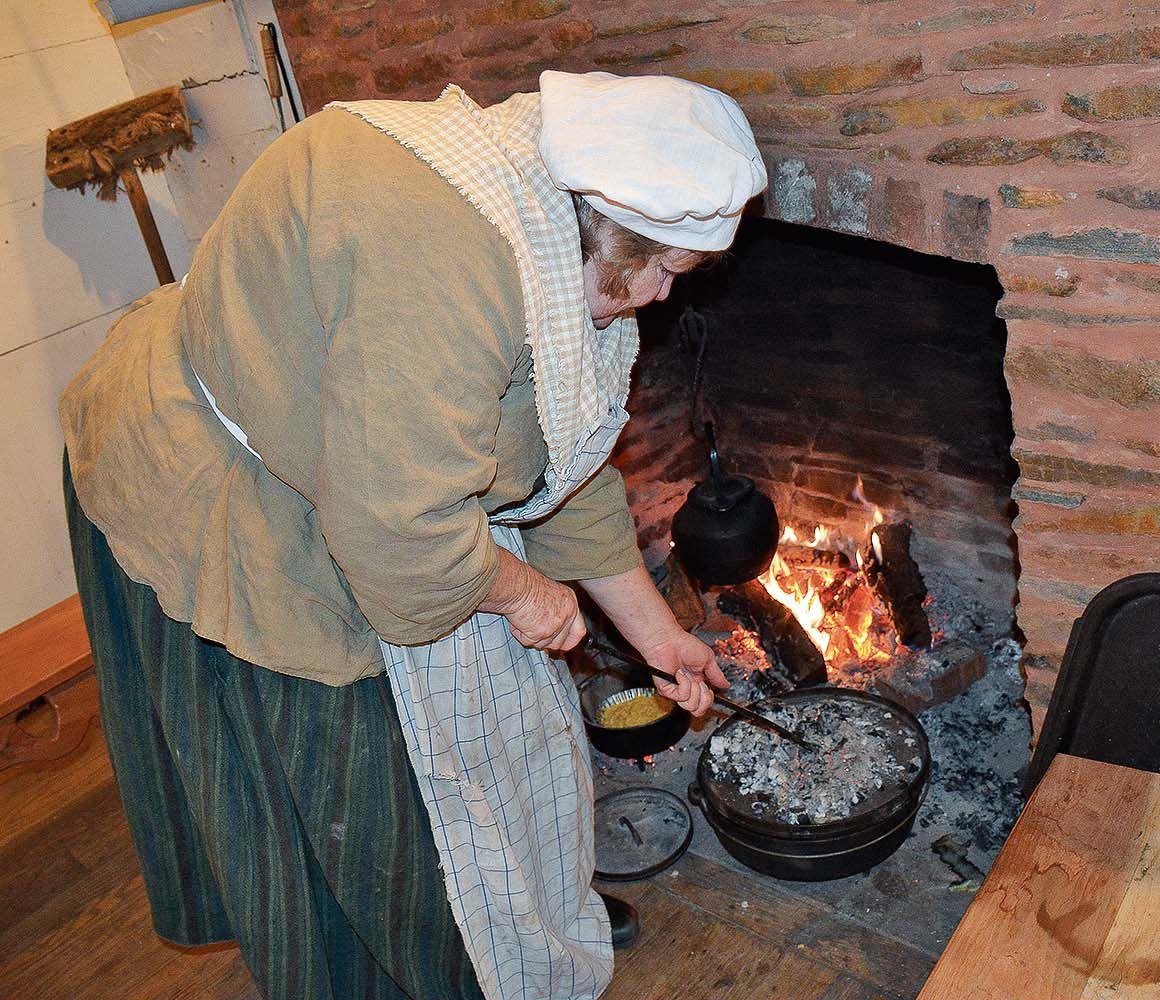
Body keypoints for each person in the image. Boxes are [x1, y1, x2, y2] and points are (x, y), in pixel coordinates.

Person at [59, 70, 766, 1000]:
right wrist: (525, 592)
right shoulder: (449, 267)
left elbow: (564, 450)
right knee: (369, 812)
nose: (663, 298)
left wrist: (654, 633)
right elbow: (401, 537)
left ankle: (512, 921)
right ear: (606, 230)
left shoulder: (548, 227)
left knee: (455, 776)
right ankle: (431, 958)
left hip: (369, 480)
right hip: (232, 489)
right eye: (663, 270)